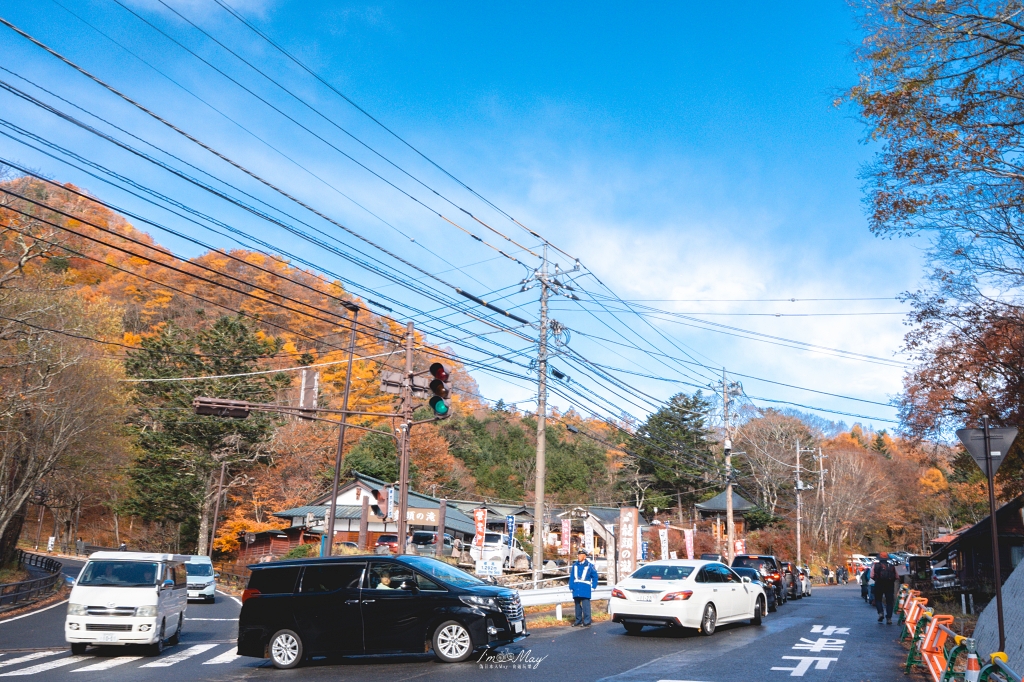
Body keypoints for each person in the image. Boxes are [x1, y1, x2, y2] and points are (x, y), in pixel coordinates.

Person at [568, 549, 599, 627]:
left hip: (585, 588)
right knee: (577, 606)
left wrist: (593, 586)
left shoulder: (590, 566)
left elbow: (595, 577)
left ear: (585, 557)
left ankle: (587, 621)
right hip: (576, 587)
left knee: (586, 606)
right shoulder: (575, 565)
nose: (579, 556)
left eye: (581, 555)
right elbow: (572, 577)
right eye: (578, 555)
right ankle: (578, 620)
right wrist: (571, 586)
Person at [872, 552, 898, 624]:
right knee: (889, 602)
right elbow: (897, 576)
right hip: (889, 585)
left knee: (878, 600)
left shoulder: (876, 565)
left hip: (879, 584)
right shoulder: (892, 566)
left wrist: (876, 579)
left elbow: (871, 575)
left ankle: (881, 613)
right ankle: (889, 618)